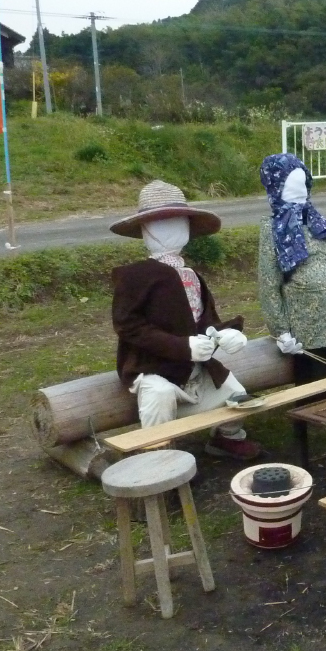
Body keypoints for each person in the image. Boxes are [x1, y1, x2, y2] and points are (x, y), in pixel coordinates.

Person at [110, 180, 261, 460]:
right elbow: (127, 325)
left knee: (235, 392)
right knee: (159, 396)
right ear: (145, 230)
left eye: (179, 221)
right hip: (153, 368)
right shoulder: (134, 276)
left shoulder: (192, 276)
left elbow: (206, 321)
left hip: (193, 369)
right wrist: (183, 347)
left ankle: (225, 438)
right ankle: (160, 459)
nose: (173, 228)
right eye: (160, 222)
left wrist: (226, 334)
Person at [257, 153, 326, 384]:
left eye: (303, 183)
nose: (300, 190)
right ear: (277, 187)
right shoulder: (272, 230)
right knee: (319, 388)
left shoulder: (315, 221)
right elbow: (269, 283)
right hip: (308, 325)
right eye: (292, 185)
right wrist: (280, 330)